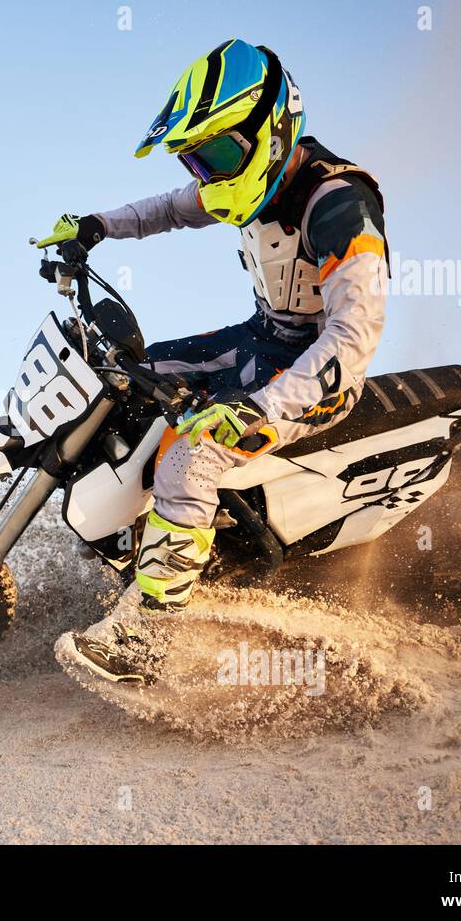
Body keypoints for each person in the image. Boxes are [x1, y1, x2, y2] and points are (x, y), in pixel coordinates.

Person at [37, 39, 389, 685]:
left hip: (314, 375)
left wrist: (260, 408)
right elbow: (169, 209)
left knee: (191, 457)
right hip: (260, 337)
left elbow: (353, 335)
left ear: (272, 127)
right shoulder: (249, 180)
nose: (208, 175)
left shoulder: (339, 206)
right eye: (197, 159)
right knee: (113, 374)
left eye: (219, 153)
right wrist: (94, 226)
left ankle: (149, 636)